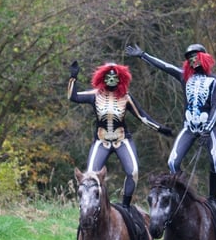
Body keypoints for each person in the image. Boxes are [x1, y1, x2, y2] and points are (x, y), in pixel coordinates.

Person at [68, 60, 174, 208]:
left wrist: (161, 129)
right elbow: (73, 97)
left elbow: (142, 116)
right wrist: (73, 78)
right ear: (102, 78)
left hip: (122, 139)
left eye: (115, 77)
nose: (111, 80)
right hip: (101, 140)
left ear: (121, 79)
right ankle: (92, 207)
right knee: (90, 176)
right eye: (108, 77)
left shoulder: (126, 97)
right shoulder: (95, 94)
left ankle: (125, 206)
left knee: (133, 171)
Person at [125, 42, 216, 202]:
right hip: (189, 127)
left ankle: (213, 199)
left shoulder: (214, 81)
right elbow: (165, 66)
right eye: (190, 58)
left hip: (208, 128)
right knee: (172, 162)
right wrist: (143, 55)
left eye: (195, 57)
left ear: (203, 57)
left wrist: (208, 129)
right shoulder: (185, 77)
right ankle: (184, 196)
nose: (192, 60)